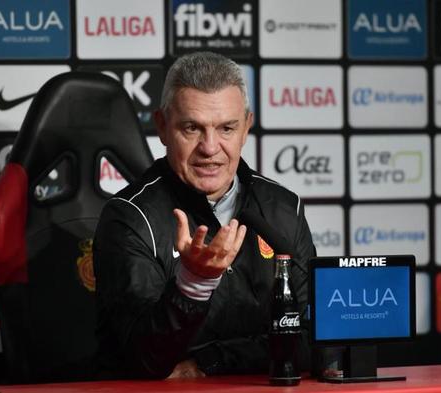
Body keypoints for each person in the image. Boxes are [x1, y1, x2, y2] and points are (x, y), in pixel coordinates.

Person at [92, 51, 316, 379]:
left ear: (246, 128)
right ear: (162, 127)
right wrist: (192, 285)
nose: (210, 148)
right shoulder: (130, 218)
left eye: (226, 128)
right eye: (192, 128)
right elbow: (143, 361)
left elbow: (310, 339)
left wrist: (209, 363)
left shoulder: (284, 209)